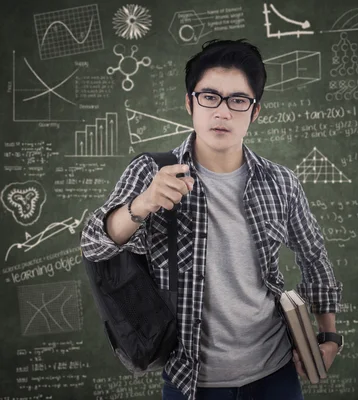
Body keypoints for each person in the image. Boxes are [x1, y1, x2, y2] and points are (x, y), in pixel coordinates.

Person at [80, 39, 343, 400]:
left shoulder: (280, 182)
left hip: (276, 374)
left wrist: (328, 334)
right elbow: (93, 245)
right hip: (191, 380)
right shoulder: (152, 172)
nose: (222, 112)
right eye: (209, 97)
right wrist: (141, 205)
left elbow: (314, 255)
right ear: (190, 103)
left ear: (254, 112)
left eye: (238, 100)